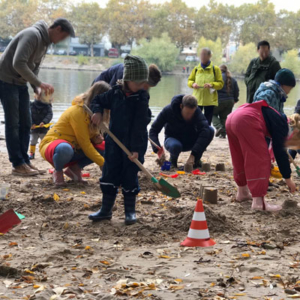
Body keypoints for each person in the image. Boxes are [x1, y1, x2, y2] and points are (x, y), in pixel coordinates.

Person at [0, 18, 75, 176]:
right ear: (57, 29)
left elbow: (34, 67)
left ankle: (25, 161)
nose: (62, 41)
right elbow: (18, 63)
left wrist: (37, 89)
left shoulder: (45, 43)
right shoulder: (32, 35)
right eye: (63, 37)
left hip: (19, 83)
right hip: (5, 80)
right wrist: (39, 83)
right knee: (13, 123)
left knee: (26, 122)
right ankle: (17, 163)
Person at [88, 55, 150, 226]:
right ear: (127, 80)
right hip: (114, 143)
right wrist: (98, 112)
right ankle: (105, 210)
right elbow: (97, 100)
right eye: (137, 82)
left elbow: (140, 125)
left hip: (133, 144)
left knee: (130, 176)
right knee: (110, 173)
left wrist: (137, 149)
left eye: (142, 82)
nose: (140, 86)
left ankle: (130, 212)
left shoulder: (141, 97)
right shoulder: (114, 93)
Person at [226, 100, 296, 211]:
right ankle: (259, 203)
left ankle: (242, 192)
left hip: (232, 118)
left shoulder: (276, 117)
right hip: (246, 119)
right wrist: (288, 178)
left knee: (239, 157)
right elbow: (280, 152)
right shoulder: (282, 124)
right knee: (260, 160)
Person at [39, 82, 108, 186]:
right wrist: (104, 164)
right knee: (65, 149)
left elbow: (87, 137)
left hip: (75, 148)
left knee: (105, 146)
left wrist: (95, 138)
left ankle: (74, 169)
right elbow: (84, 143)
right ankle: (58, 171)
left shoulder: (95, 113)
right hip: (54, 146)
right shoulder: (78, 112)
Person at [149, 95, 214, 170]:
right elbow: (153, 130)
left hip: (190, 140)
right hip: (173, 140)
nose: (189, 116)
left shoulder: (197, 112)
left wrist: (194, 154)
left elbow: (205, 130)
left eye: (191, 113)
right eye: (187, 113)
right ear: (181, 106)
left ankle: (196, 161)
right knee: (175, 146)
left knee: (210, 130)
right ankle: (173, 161)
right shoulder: (168, 110)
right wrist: (157, 149)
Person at [188, 48, 224, 125]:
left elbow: (220, 84)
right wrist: (193, 84)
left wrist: (212, 85)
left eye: (204, 54)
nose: (202, 56)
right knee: (195, 120)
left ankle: (206, 135)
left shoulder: (215, 69)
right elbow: (189, 81)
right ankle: (195, 135)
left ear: (209, 56)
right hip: (197, 99)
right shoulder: (196, 69)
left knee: (207, 122)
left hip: (210, 101)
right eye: (201, 54)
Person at [213, 65, 239, 138]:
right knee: (224, 118)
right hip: (230, 101)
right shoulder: (233, 79)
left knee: (212, 113)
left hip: (219, 100)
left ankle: (219, 127)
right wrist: (235, 100)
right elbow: (236, 91)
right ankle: (223, 134)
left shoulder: (217, 79)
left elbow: (212, 90)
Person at [92, 62, 161, 90]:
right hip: (99, 86)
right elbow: (110, 92)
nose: (145, 89)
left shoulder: (139, 82)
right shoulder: (123, 72)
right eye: (146, 86)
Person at [29, 95, 53, 159]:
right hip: (34, 128)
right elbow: (29, 115)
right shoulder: (31, 105)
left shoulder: (48, 106)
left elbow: (49, 115)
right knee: (33, 141)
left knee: (44, 141)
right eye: (38, 96)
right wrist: (32, 123)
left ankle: (45, 154)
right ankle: (31, 153)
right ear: (34, 96)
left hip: (44, 128)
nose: (39, 97)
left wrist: (44, 122)